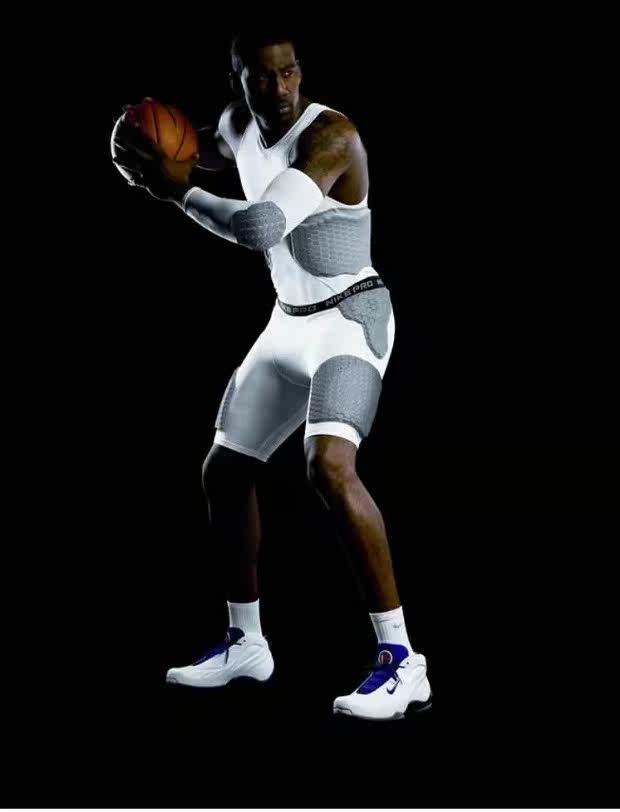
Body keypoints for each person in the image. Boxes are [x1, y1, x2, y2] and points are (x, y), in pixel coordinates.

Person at [112, 27, 432, 721]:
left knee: (330, 467)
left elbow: (260, 227)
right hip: (289, 320)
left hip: (351, 317)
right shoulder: (237, 123)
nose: (279, 88)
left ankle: (404, 662)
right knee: (223, 473)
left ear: (300, 72)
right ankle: (247, 644)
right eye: (262, 76)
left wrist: (176, 194)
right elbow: (200, 151)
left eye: (288, 73)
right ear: (239, 80)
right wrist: (143, 148)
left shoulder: (331, 137)